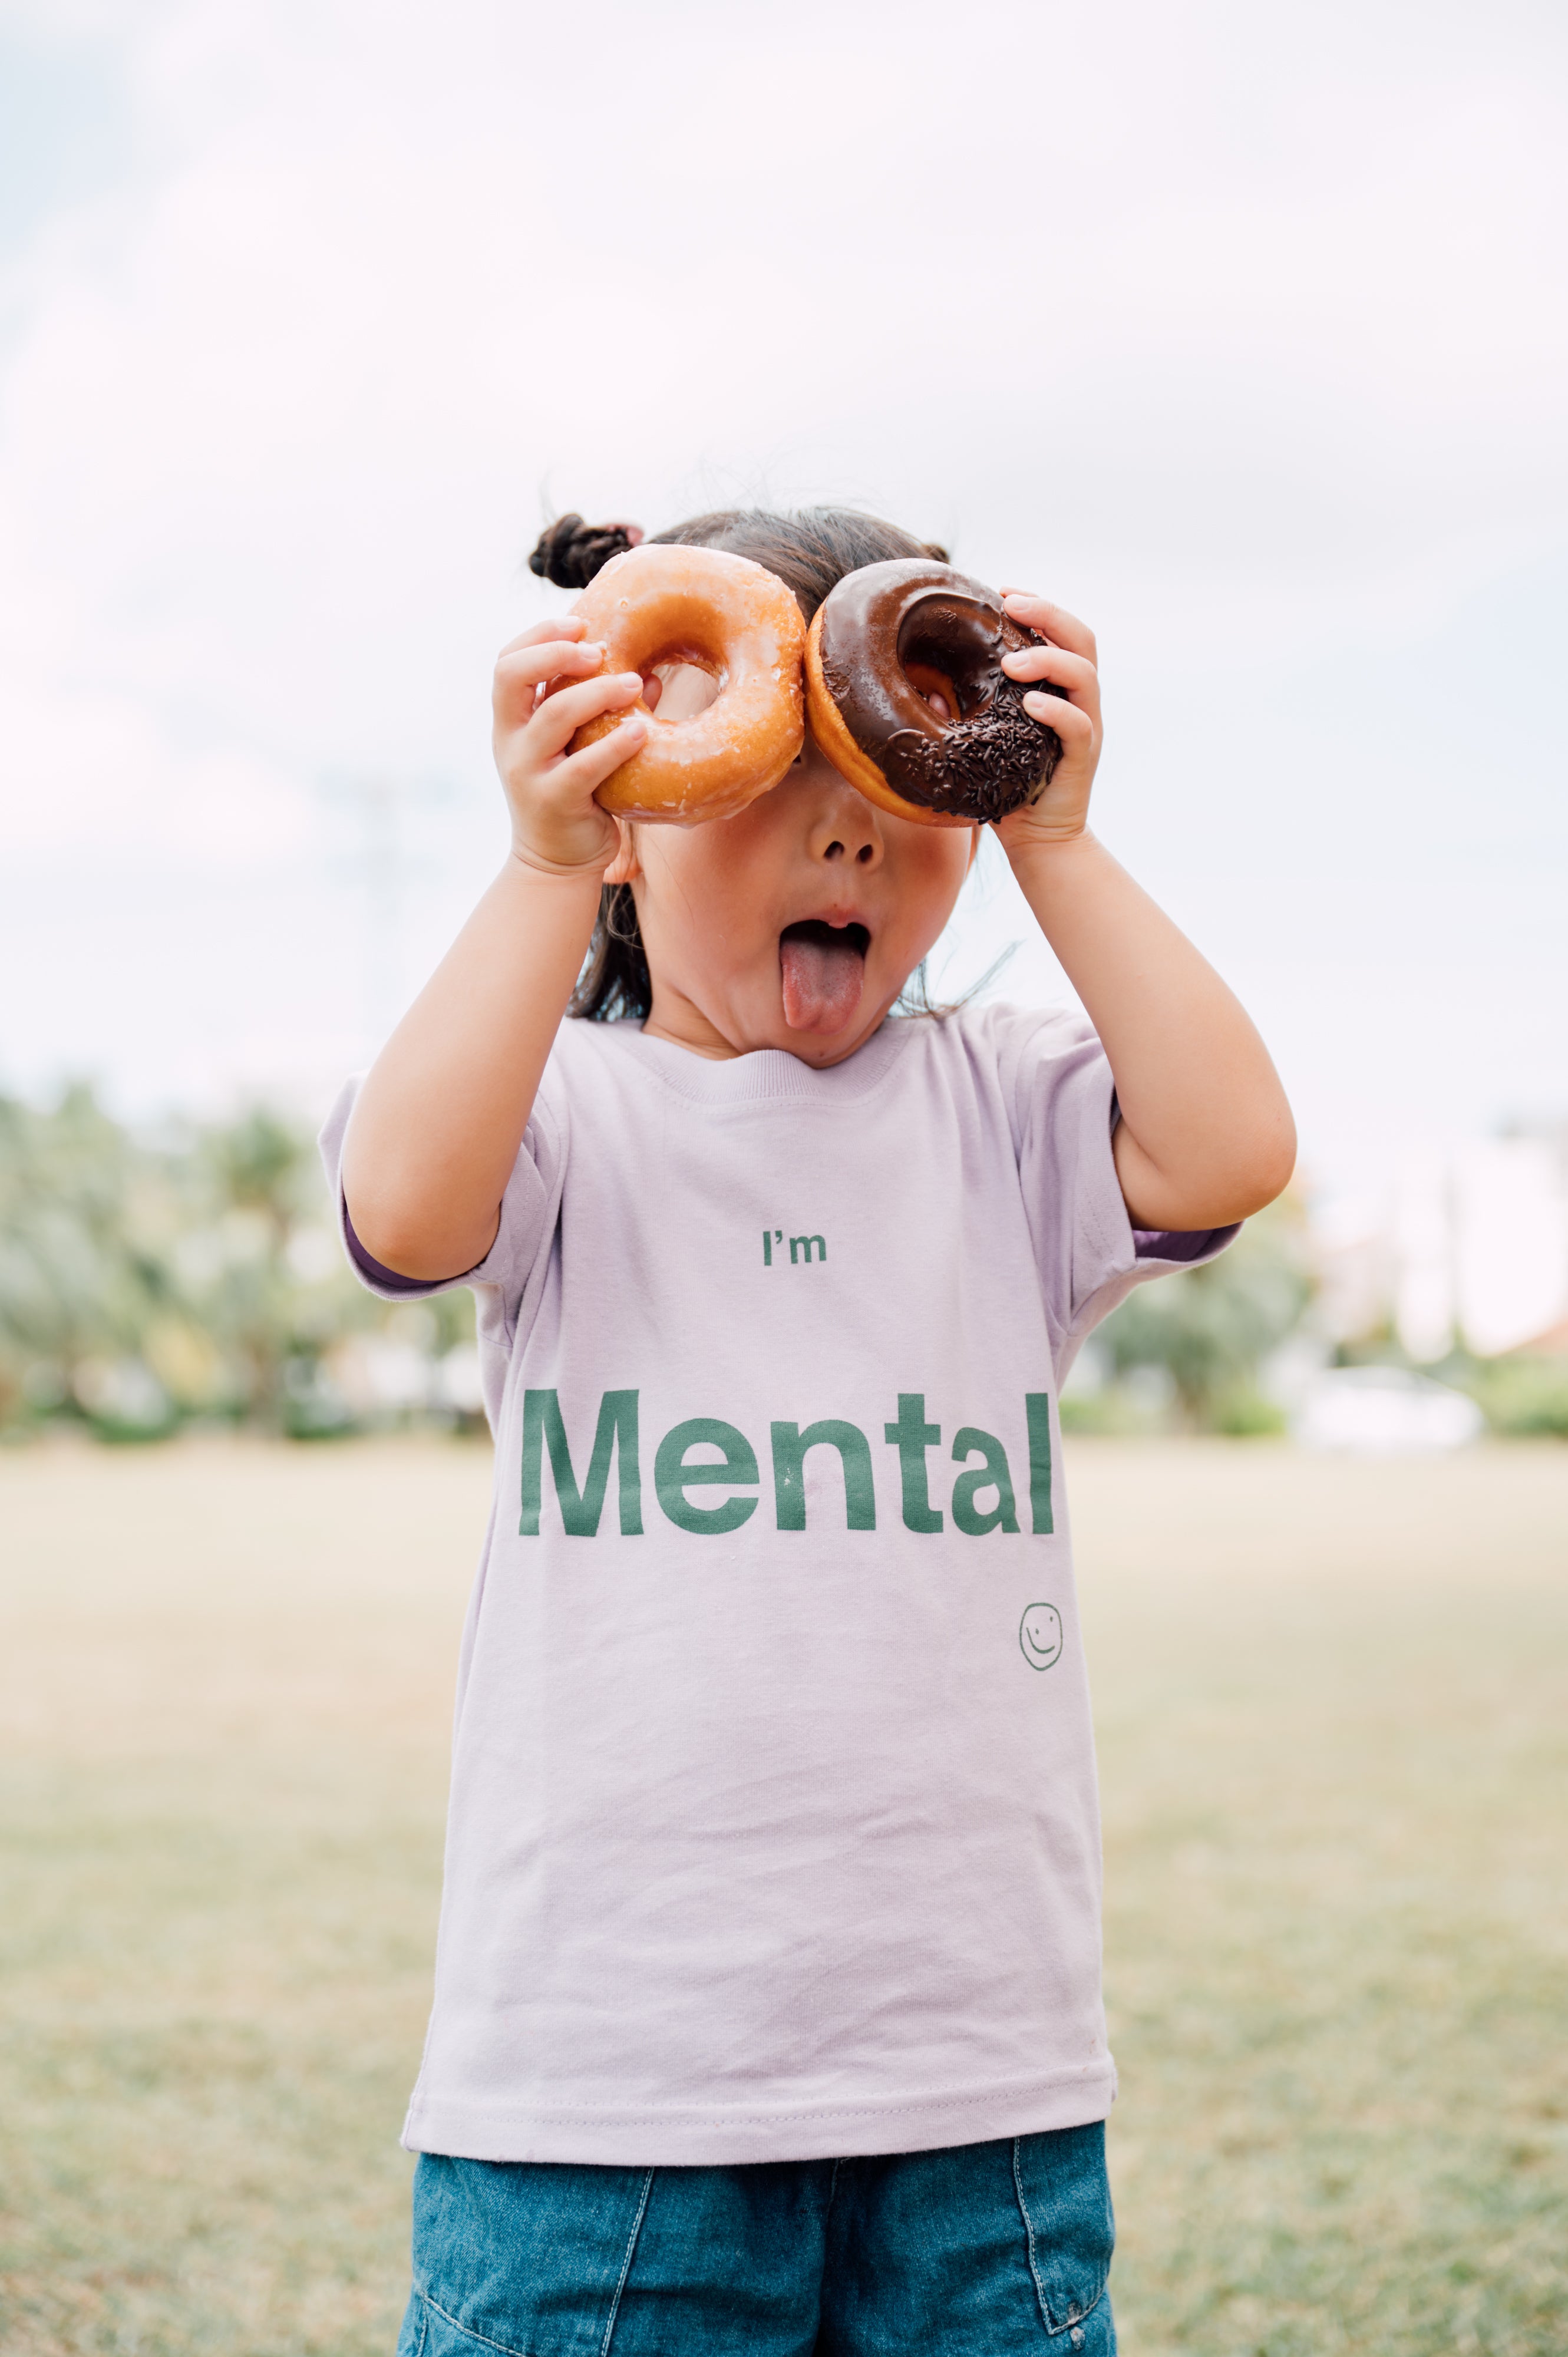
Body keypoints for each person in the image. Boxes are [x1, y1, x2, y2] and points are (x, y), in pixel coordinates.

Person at [325, 504, 1295, 2356]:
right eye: (775, 776)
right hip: (603, 2101)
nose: (846, 828)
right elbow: (405, 1208)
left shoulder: (1001, 1117)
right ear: (636, 814)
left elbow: (1232, 1148)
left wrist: (1058, 837)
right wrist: (547, 865)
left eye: (895, 776)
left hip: (978, 2089)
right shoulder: (564, 1112)